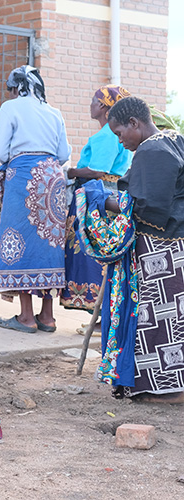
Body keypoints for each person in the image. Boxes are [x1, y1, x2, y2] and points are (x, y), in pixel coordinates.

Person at [98, 96, 184, 403]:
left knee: (159, 318)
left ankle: (166, 390)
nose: (121, 143)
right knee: (174, 317)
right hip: (176, 245)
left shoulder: (151, 150)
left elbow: (148, 208)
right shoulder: (173, 139)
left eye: (121, 134)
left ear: (134, 123)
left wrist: (103, 202)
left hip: (162, 250)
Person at [0, 65, 71, 333]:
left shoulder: (11, 108)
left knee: (20, 237)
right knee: (49, 241)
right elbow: (63, 153)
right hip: (52, 178)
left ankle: (25, 316)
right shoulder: (54, 112)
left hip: (24, 176)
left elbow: (0, 150)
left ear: (17, 87)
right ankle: (47, 316)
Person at [60, 85, 132, 313]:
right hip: (110, 194)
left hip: (99, 197)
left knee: (93, 250)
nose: (90, 105)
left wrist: (71, 172)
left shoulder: (107, 135)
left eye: (93, 101)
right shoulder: (115, 133)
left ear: (102, 106)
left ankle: (99, 310)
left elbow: (98, 170)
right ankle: (102, 312)